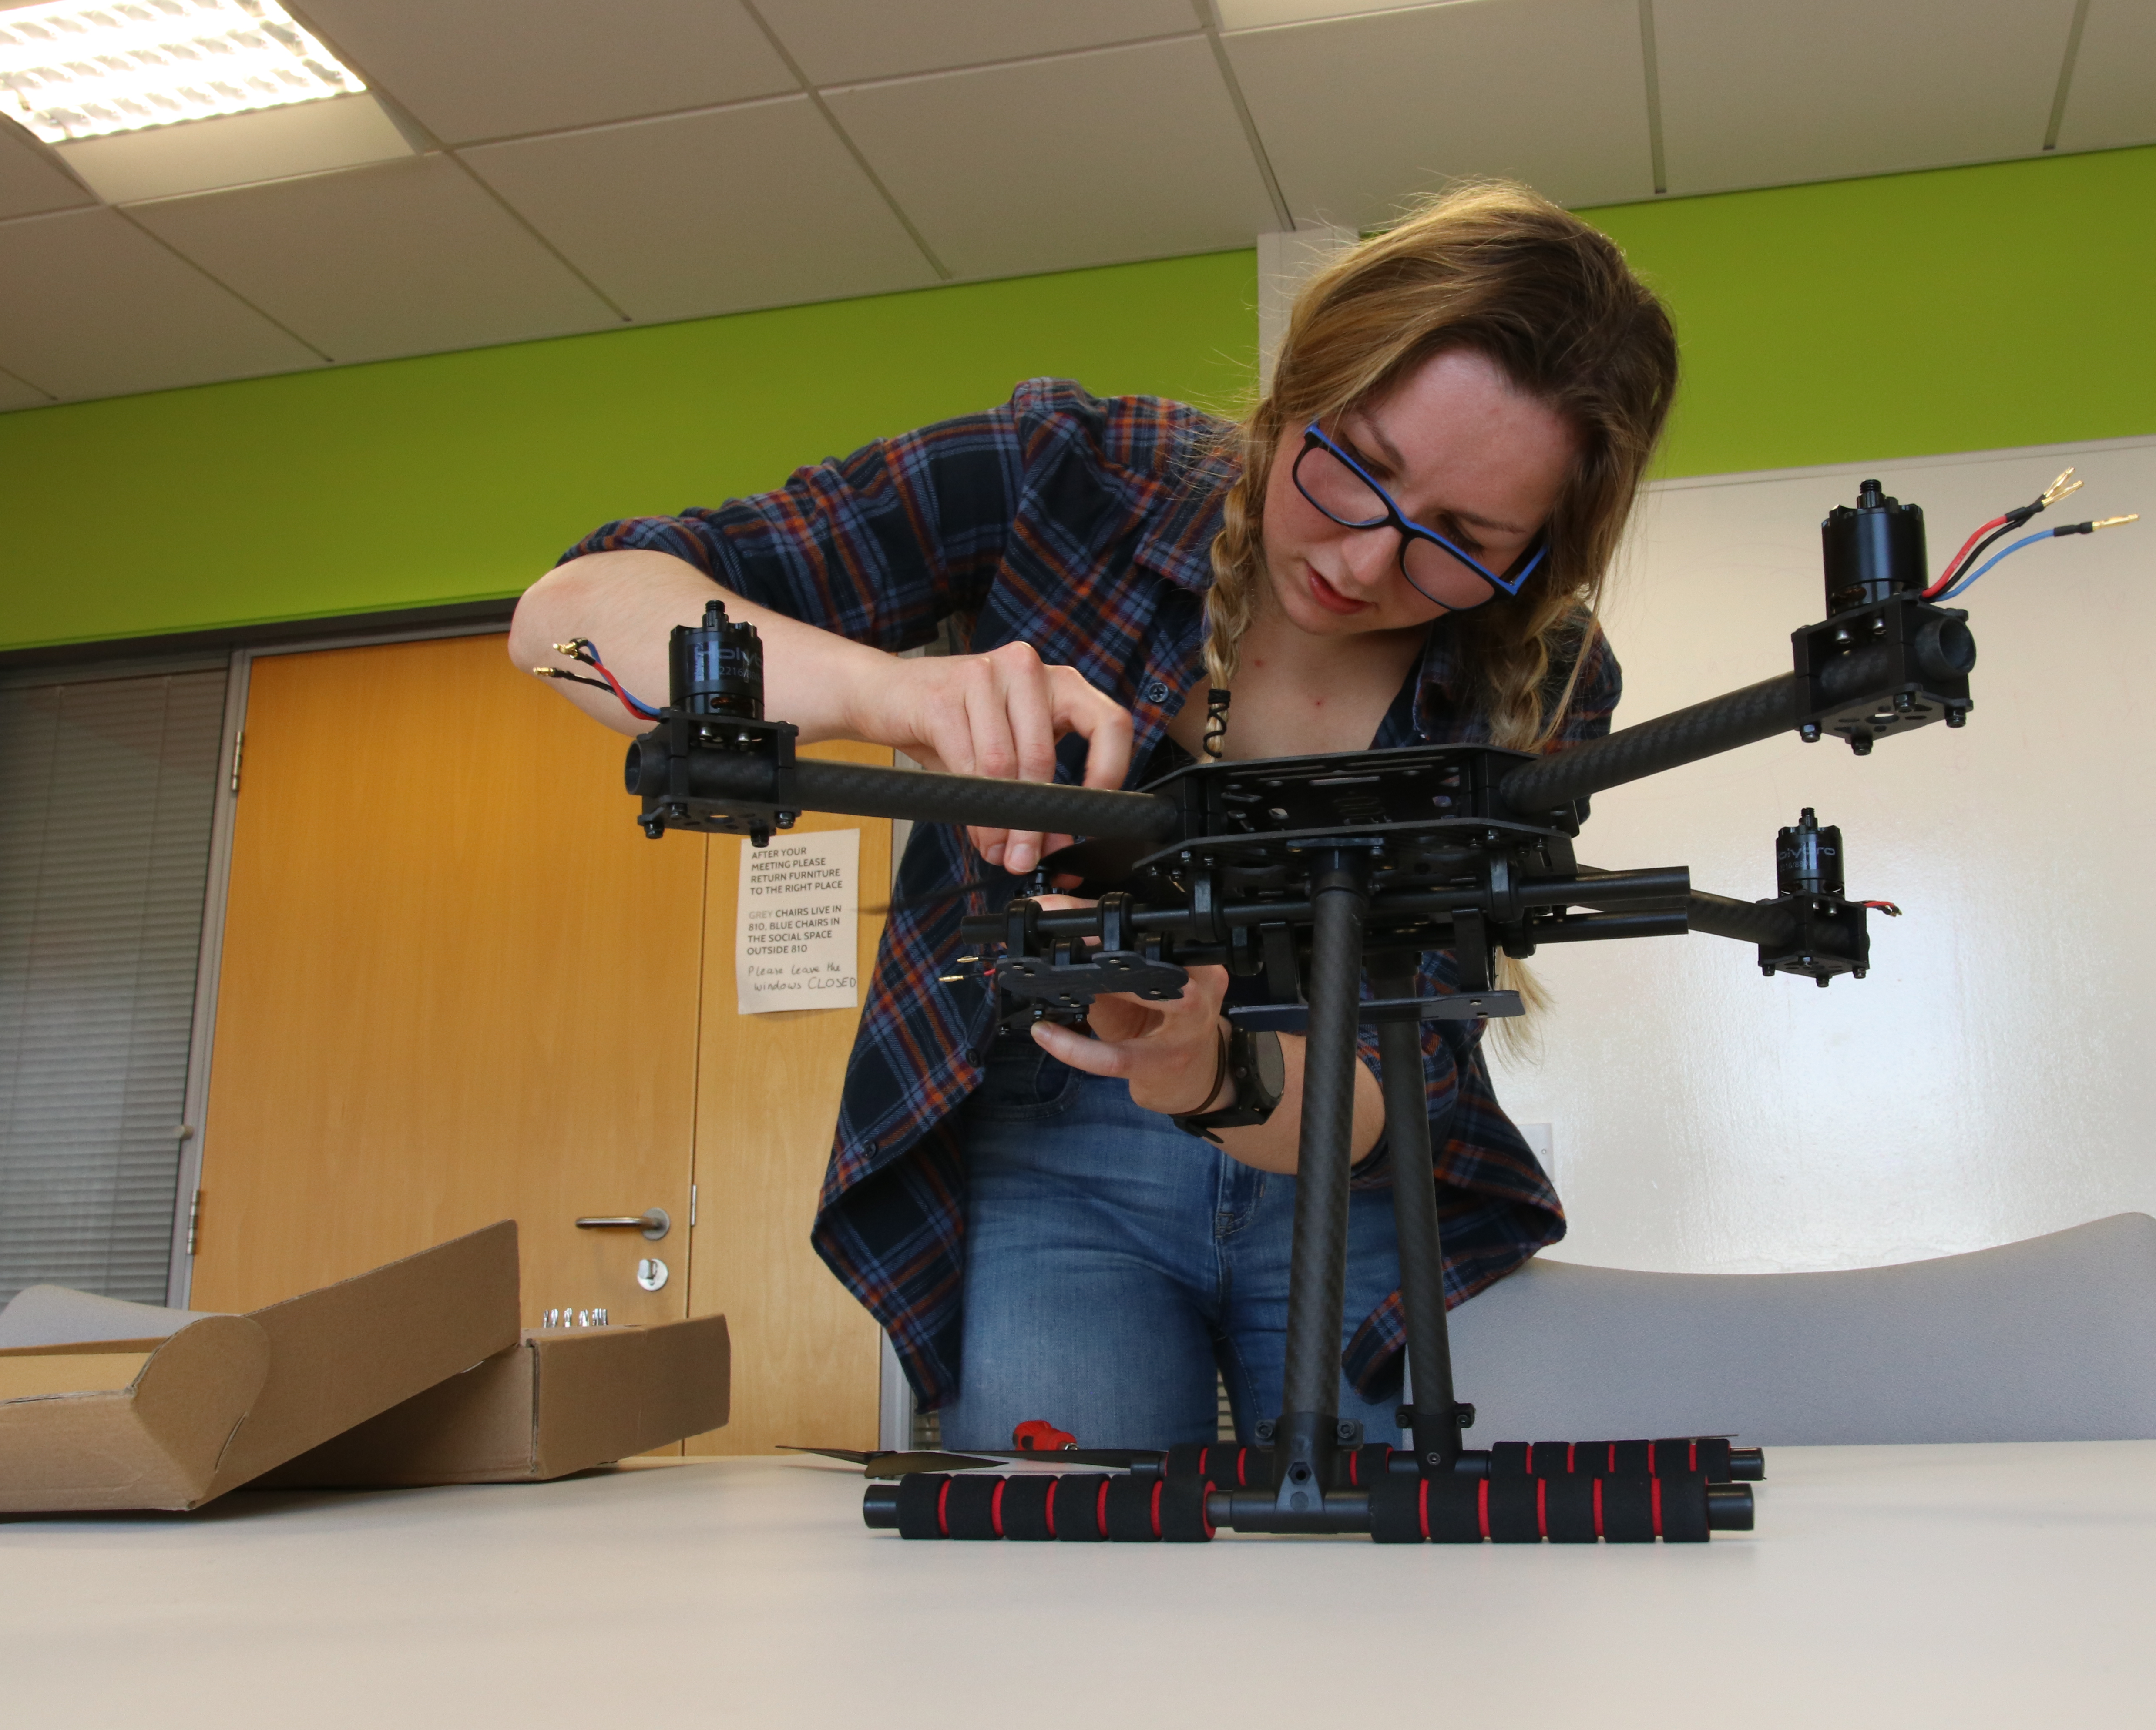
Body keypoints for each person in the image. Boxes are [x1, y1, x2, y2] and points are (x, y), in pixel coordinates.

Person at [510, 181, 1679, 1450]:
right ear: (1296, 389)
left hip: (1340, 1159)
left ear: (1543, 556)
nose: (1361, 565)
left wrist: (1207, 1072)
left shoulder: (1554, 676)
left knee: (1393, 1611)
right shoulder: (1071, 476)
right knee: (1065, 1603)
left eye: (1460, 539)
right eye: (1357, 466)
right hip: (1055, 1159)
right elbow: (568, 622)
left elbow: (1421, 1070)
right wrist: (890, 691)